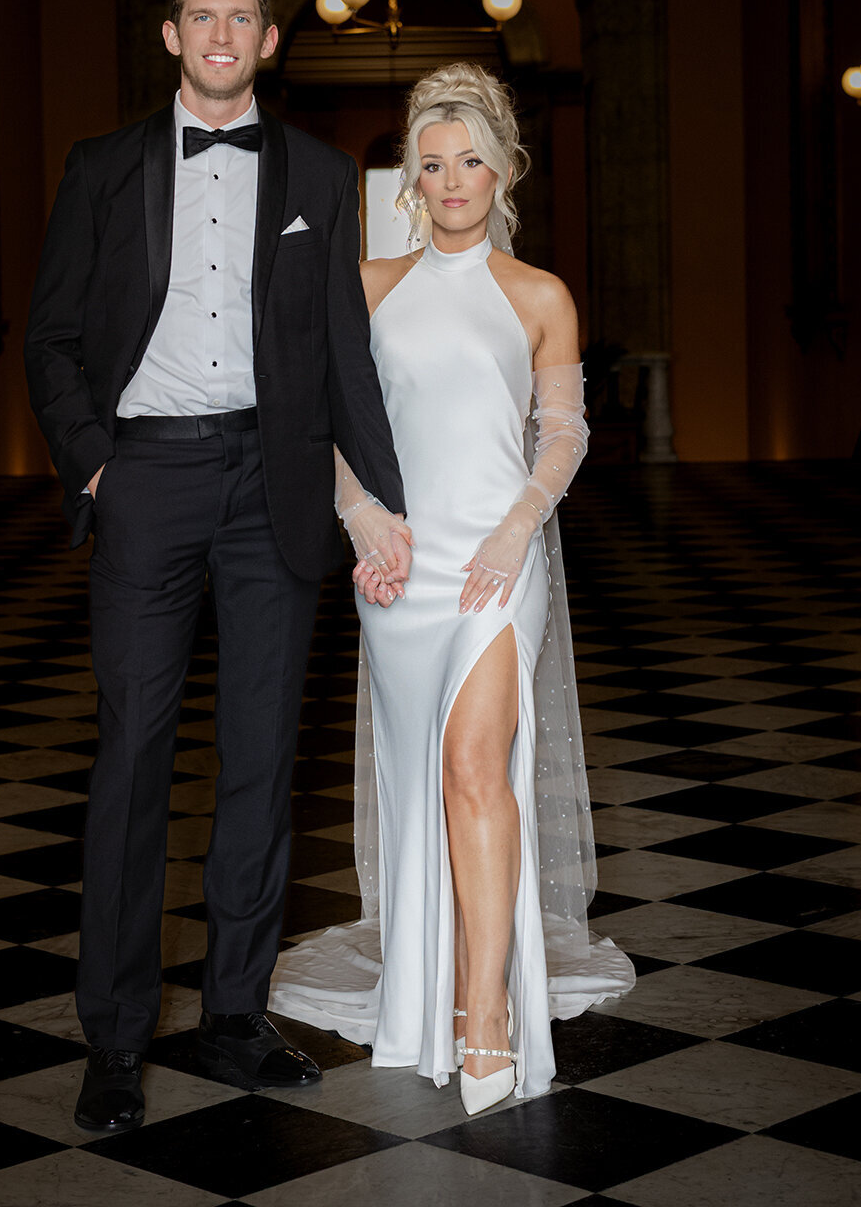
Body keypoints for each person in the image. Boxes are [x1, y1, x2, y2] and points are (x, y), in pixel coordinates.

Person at [24, 0, 410, 1133]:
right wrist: (98, 465)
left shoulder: (318, 171)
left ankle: (235, 1017)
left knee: (260, 761)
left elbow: (344, 351)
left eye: (244, 18)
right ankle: (117, 1037)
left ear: (268, 39)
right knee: (134, 754)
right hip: (147, 474)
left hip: (272, 486)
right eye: (203, 17)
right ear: (173, 33)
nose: (223, 35)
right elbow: (49, 338)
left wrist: (381, 506)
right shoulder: (103, 167)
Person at [269, 62, 633, 1113]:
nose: (453, 179)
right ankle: (432, 990)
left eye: (471, 159)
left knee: (478, 768)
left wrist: (520, 530)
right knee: (425, 784)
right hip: (399, 567)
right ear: (409, 184)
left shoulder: (539, 296)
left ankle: (483, 1015)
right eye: (432, 164)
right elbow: (322, 421)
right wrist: (360, 516)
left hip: (499, 562)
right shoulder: (370, 286)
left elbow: (561, 431)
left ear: (502, 169)